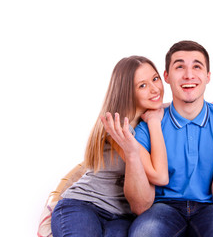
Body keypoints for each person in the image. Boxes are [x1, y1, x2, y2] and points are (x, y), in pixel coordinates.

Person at [104, 40, 213, 237]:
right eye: (179, 66)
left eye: (196, 66)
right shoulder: (147, 125)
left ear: (207, 77)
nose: (189, 75)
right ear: (167, 77)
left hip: (211, 209)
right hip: (162, 207)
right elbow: (139, 206)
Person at [51, 56, 168, 237]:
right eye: (142, 86)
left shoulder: (149, 117)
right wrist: (154, 122)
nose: (154, 89)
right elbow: (159, 176)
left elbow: (187, 108)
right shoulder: (117, 127)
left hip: (121, 217)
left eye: (155, 78)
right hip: (85, 205)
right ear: (127, 92)